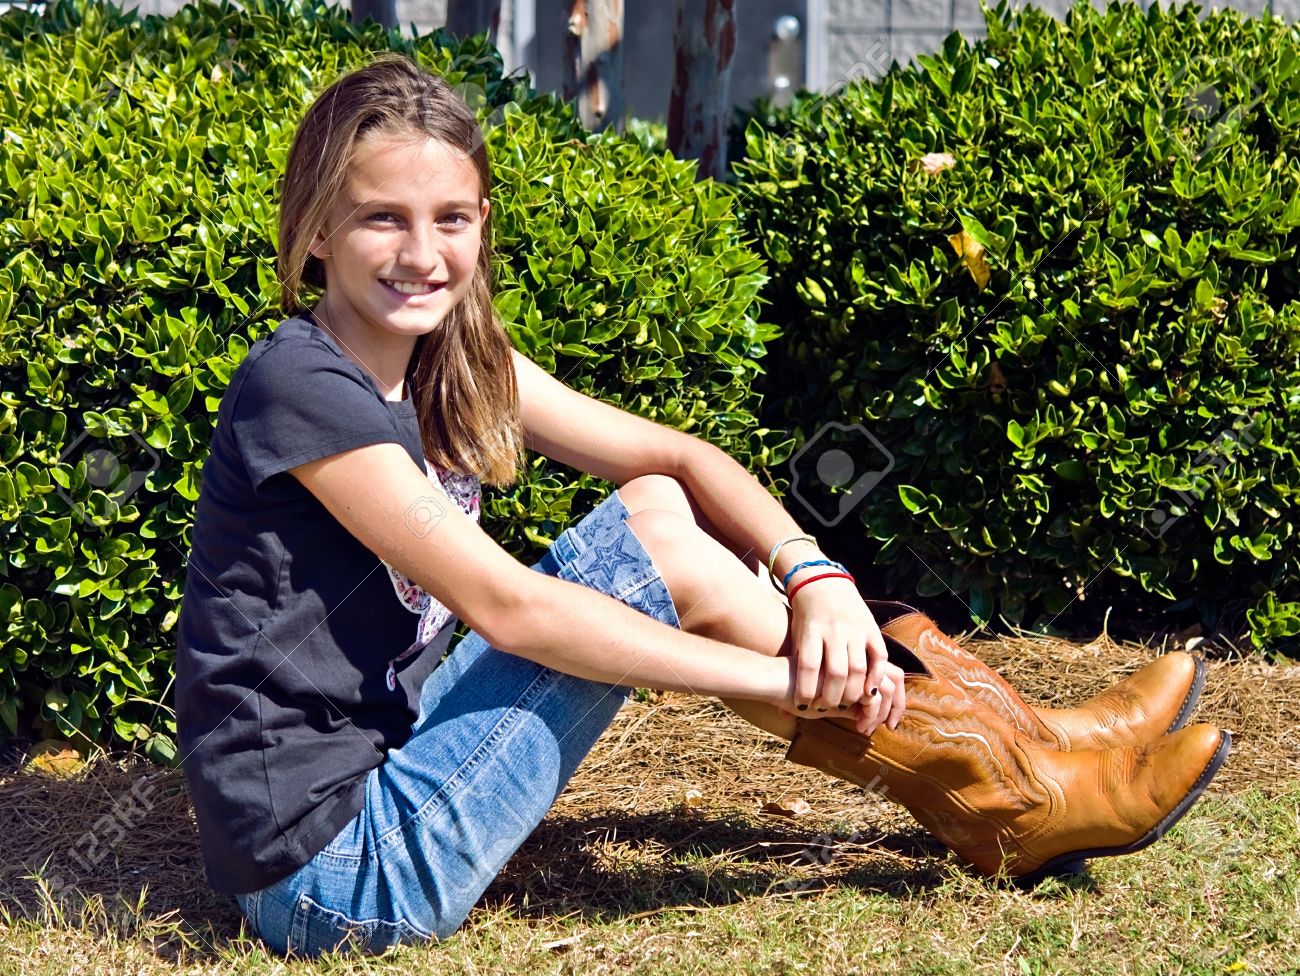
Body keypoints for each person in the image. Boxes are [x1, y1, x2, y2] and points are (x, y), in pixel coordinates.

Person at [175, 53, 1230, 959]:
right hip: (338, 878)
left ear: (481, 224)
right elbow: (513, 611)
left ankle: (1028, 750)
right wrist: (775, 675)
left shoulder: (453, 357)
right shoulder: (300, 385)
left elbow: (676, 455)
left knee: (656, 508)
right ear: (314, 232)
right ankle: (1015, 788)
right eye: (380, 220)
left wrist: (811, 572)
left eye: (449, 218)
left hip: (390, 784)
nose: (421, 253)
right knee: (653, 548)